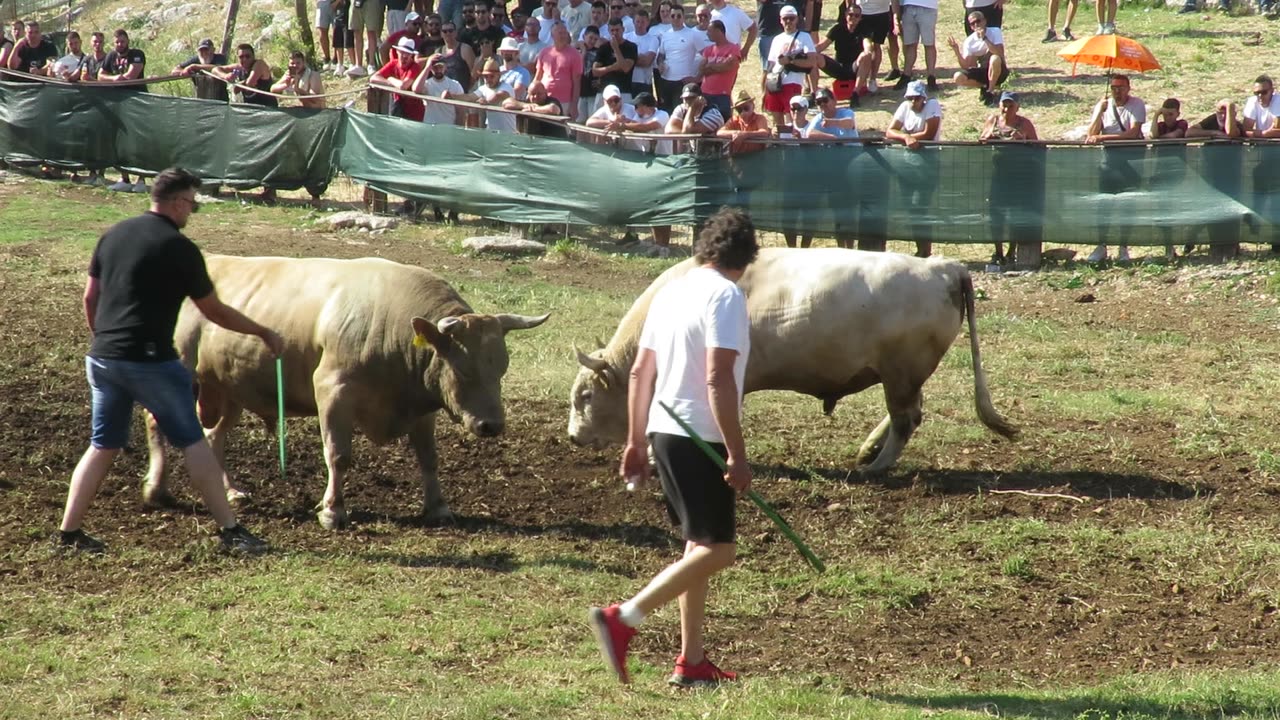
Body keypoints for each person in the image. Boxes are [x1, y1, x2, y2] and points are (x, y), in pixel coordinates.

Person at [58, 167, 283, 556]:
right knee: (194, 443)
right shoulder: (179, 250)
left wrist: (104, 339)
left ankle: (69, 534)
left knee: (102, 445)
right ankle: (231, 530)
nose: (191, 212)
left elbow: (89, 298)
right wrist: (262, 331)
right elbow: (214, 311)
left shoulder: (112, 236)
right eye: (192, 205)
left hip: (103, 360)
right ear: (178, 203)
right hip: (151, 364)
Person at [587, 206, 759, 688]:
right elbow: (718, 378)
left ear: (705, 248)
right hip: (699, 435)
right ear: (746, 257)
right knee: (719, 550)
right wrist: (737, 453)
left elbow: (641, 372)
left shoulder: (672, 291)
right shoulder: (726, 296)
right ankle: (624, 618)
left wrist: (636, 440)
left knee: (695, 547)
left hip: (665, 430)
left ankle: (692, 661)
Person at [1084, 74, 1145, 263]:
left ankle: (1123, 247)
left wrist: (1103, 138)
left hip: (1131, 161)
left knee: (1128, 204)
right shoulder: (1104, 105)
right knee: (1104, 204)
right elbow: (1091, 134)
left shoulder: (1137, 105)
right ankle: (1101, 246)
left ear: (1128, 88)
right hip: (1109, 161)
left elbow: (1133, 133)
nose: (1117, 91)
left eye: (1121, 87)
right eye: (1114, 87)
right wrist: (1098, 113)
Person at [979, 91, 1039, 266]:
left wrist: (1023, 141)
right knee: (996, 214)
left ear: (1017, 107)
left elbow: (1038, 145)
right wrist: (988, 137)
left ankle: (1012, 252)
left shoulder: (1024, 123)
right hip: (998, 173)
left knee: (1015, 215)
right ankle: (998, 252)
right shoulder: (993, 120)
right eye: (1004, 105)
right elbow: (981, 138)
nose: (1006, 108)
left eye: (1010, 105)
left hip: (1018, 175)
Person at [885, 79, 941, 256]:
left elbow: (929, 133)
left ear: (923, 97)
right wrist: (906, 138)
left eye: (916, 98)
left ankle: (925, 250)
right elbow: (890, 131)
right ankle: (919, 249)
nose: (912, 102)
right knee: (910, 207)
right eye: (909, 98)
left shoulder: (932, 105)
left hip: (927, 163)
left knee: (920, 206)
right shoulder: (904, 107)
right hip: (907, 162)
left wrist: (905, 136)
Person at [762, 5, 817, 126]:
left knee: (792, 119)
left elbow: (812, 61)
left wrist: (791, 61)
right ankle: (779, 143)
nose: (788, 21)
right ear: (781, 20)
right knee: (777, 121)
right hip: (775, 83)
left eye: (791, 18)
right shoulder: (777, 39)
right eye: (785, 18)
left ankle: (792, 142)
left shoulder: (804, 37)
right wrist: (764, 88)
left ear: (797, 19)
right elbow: (770, 65)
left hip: (793, 82)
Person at [815, 4, 875, 103]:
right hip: (839, 67)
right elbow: (821, 45)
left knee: (866, 55)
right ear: (846, 15)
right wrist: (806, 52)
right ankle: (814, 93)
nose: (853, 18)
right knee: (814, 56)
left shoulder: (864, 29)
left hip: (855, 68)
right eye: (851, 15)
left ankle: (855, 93)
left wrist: (868, 50)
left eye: (857, 15)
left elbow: (867, 44)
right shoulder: (838, 28)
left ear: (860, 18)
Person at [947, 10, 1006, 107]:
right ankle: (986, 86)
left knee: (994, 58)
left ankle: (990, 92)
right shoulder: (969, 41)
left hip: (999, 70)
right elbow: (967, 66)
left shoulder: (995, 31)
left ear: (984, 21)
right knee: (958, 77)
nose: (976, 25)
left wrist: (984, 38)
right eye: (972, 23)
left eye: (978, 21)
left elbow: (999, 53)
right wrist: (957, 51)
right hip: (982, 71)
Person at [656, 4, 709, 111]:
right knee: (666, 112)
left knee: (681, 113)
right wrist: (660, 63)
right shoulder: (666, 35)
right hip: (666, 80)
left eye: (678, 16)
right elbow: (660, 55)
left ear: (683, 17)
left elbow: (707, 56)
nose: (675, 18)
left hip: (683, 82)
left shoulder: (693, 34)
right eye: (673, 16)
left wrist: (698, 77)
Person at [533, 21, 583, 119]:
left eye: (565, 33)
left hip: (564, 101)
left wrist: (574, 106)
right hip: (544, 99)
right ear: (552, 35)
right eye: (560, 33)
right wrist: (531, 94)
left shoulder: (575, 54)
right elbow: (538, 77)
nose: (563, 35)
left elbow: (576, 82)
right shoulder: (544, 52)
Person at [373, 37, 427, 119]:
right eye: (402, 52)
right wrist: (389, 83)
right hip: (398, 108)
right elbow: (374, 78)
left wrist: (390, 79)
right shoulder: (393, 63)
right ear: (397, 52)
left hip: (414, 112)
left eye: (408, 53)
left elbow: (403, 86)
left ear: (412, 55)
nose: (405, 56)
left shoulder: (415, 67)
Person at [214, 44, 278, 108]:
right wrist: (225, 76)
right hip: (250, 109)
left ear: (253, 56)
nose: (244, 59)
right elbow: (215, 69)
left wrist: (238, 86)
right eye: (241, 57)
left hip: (268, 109)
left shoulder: (260, 64)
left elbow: (249, 83)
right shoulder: (239, 67)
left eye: (247, 56)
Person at [697, 20, 739, 118]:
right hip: (705, 93)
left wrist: (710, 66)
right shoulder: (708, 50)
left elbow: (728, 66)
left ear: (719, 31)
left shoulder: (733, 48)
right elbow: (701, 69)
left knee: (723, 124)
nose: (707, 34)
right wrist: (718, 66)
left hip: (722, 94)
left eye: (709, 31)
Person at [895, 0, 938, 92]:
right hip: (908, 7)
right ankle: (906, 75)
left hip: (928, 7)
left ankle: (931, 77)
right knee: (910, 44)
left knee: (929, 44)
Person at [594, 18, 638, 105]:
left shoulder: (631, 47)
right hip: (604, 91)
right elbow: (595, 71)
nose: (614, 33)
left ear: (623, 29)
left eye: (617, 30)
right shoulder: (603, 48)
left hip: (623, 91)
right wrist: (613, 67)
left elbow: (625, 68)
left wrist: (616, 48)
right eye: (612, 30)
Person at [624, 9, 659, 97]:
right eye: (637, 21)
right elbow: (620, 59)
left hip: (644, 83)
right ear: (633, 22)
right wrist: (639, 57)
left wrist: (629, 59)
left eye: (642, 22)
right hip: (627, 81)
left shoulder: (653, 39)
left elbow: (647, 62)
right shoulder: (626, 37)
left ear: (647, 22)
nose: (639, 25)